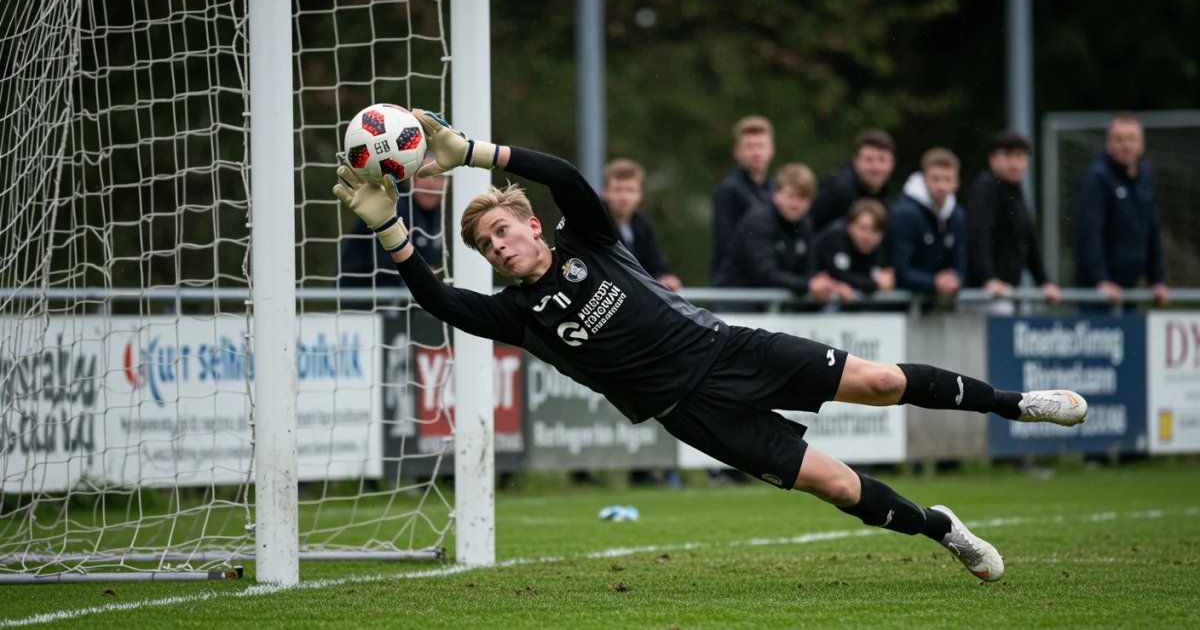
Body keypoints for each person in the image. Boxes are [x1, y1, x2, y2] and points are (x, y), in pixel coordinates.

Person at [332, 109, 1090, 583]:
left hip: (733, 350)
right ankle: (943, 530)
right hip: (695, 412)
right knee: (838, 486)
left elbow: (563, 175)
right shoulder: (516, 313)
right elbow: (437, 299)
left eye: (503, 231)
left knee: (884, 382)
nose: (498, 247)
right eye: (486, 245)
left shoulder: (586, 238)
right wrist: (389, 229)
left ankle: (1019, 405)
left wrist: (469, 152)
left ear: (532, 226)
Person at [711, 163, 844, 309]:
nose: (795, 203)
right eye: (790, 195)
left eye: (802, 198)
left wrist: (829, 285)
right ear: (776, 194)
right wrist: (809, 285)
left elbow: (808, 269)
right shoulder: (758, 221)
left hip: (767, 308)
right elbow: (765, 274)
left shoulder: (805, 224)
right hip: (734, 305)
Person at [1076, 113, 1170, 309]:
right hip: (1099, 295)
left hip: (1129, 291)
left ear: (1141, 144)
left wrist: (1157, 280)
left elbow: (1153, 230)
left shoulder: (1146, 179)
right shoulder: (1097, 178)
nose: (1126, 145)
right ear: (1108, 144)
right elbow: (1090, 233)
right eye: (1119, 140)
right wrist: (1101, 280)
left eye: (1131, 139)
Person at [962, 131, 1060, 314]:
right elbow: (978, 235)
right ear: (993, 160)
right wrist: (988, 278)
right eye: (1008, 156)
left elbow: (1029, 240)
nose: (1015, 163)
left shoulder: (1016, 192)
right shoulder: (986, 187)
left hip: (1005, 292)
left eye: (1020, 157)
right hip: (985, 294)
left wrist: (1044, 282)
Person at [338, 154, 445, 292]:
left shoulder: (438, 216)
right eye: (422, 175)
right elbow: (385, 266)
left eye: (437, 176)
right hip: (359, 295)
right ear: (410, 179)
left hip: (401, 299)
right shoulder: (392, 207)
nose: (430, 184)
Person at [890, 148, 967, 300]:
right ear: (924, 179)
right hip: (903, 305)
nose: (941, 186)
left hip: (938, 303)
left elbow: (960, 262)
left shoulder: (957, 215)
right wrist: (933, 283)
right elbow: (899, 268)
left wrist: (955, 278)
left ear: (956, 183)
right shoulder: (904, 214)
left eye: (947, 179)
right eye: (936, 179)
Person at [601, 158, 682, 292]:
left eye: (630, 190)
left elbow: (655, 263)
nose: (624, 197)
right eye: (617, 190)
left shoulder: (642, 222)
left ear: (640, 194)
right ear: (605, 193)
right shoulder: (595, 222)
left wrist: (664, 277)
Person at [710, 116, 775, 279]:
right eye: (749, 146)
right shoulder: (728, 190)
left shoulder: (775, 190)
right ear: (737, 152)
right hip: (736, 286)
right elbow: (726, 246)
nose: (756, 152)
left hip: (765, 281)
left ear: (771, 150)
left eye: (761, 146)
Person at [809, 130, 896, 233]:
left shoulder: (886, 201)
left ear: (891, 164)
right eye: (869, 160)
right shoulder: (837, 190)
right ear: (856, 162)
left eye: (882, 160)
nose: (875, 167)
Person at [814, 198, 894, 296]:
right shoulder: (836, 237)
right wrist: (875, 284)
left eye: (875, 231)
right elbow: (840, 276)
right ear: (850, 225)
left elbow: (882, 275)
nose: (867, 236)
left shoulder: (877, 249)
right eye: (863, 228)